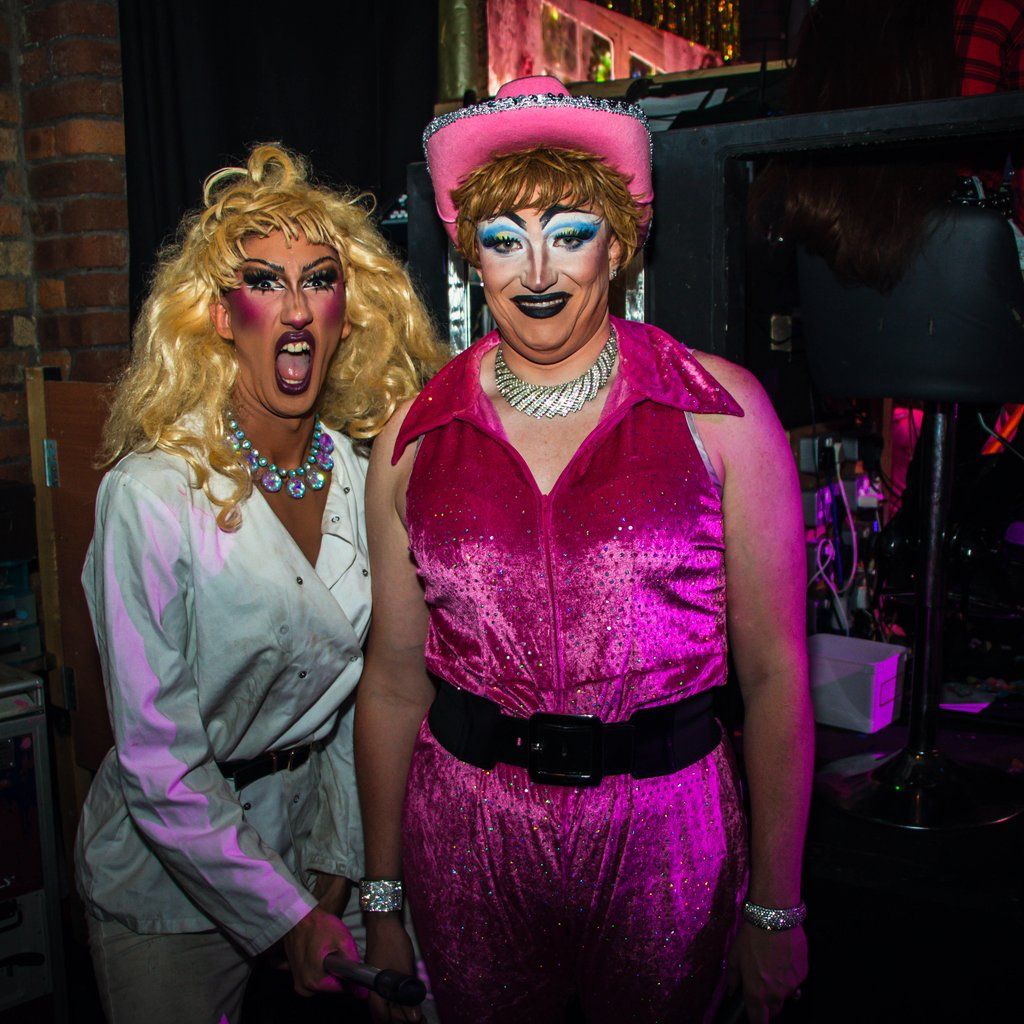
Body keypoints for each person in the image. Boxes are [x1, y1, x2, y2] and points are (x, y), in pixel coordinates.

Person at [356, 77, 812, 1024]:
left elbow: (775, 675)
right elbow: (395, 682)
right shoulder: (412, 436)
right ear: (471, 256)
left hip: (669, 847)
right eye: (503, 238)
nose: (536, 272)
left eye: (569, 233)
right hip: (469, 842)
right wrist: (383, 899)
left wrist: (776, 906)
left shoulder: (721, 413)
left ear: (618, 243)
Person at [77, 143, 442, 1023]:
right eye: (263, 282)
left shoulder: (366, 476)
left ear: (347, 313)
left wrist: (343, 857)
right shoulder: (151, 495)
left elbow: (370, 692)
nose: (296, 307)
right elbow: (157, 757)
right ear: (216, 315)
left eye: (319, 280)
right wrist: (280, 911)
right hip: (169, 881)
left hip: (319, 842)